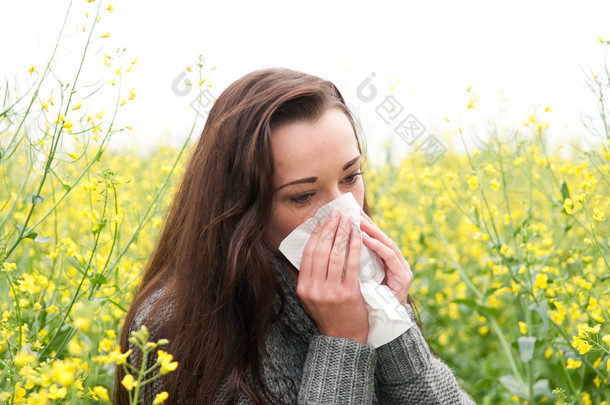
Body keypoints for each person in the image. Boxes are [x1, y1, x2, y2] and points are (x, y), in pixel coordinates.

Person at [113, 67, 476, 404]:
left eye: (350, 177)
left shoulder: (365, 286)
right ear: (242, 206)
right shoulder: (177, 327)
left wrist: (388, 324)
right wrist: (342, 342)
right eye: (302, 196)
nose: (343, 212)